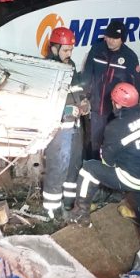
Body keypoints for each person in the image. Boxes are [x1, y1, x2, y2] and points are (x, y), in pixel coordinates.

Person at [67, 83, 140, 276]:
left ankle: (81, 212)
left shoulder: (116, 128)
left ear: (116, 103)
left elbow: (107, 162)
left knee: (90, 168)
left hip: (133, 178)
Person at [40, 27, 89, 218]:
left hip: (75, 126)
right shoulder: (48, 69)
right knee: (57, 166)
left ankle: (68, 202)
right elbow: (45, 102)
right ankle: (52, 209)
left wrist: (84, 102)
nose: (69, 54)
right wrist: (66, 111)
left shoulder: (71, 66)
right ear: (54, 49)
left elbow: (77, 90)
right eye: (66, 50)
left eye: (71, 49)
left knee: (73, 165)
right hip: (59, 129)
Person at [81, 19, 140, 159]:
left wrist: (129, 112)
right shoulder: (96, 50)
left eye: (115, 38)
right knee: (95, 142)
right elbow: (87, 76)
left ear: (122, 39)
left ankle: (112, 172)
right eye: (108, 37)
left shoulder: (130, 57)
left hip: (117, 112)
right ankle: (94, 171)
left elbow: (135, 88)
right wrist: (84, 97)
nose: (111, 41)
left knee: (115, 143)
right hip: (97, 108)